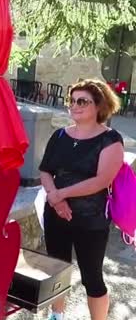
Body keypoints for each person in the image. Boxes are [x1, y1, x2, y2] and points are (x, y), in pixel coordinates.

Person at [39, 79, 124, 320]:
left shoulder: (110, 139)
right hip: (56, 215)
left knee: (92, 277)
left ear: (99, 105)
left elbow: (100, 180)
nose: (75, 106)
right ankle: (56, 316)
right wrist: (56, 201)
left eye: (82, 101)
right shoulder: (59, 135)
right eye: (72, 101)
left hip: (90, 220)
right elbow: (45, 170)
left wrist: (60, 194)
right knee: (56, 270)